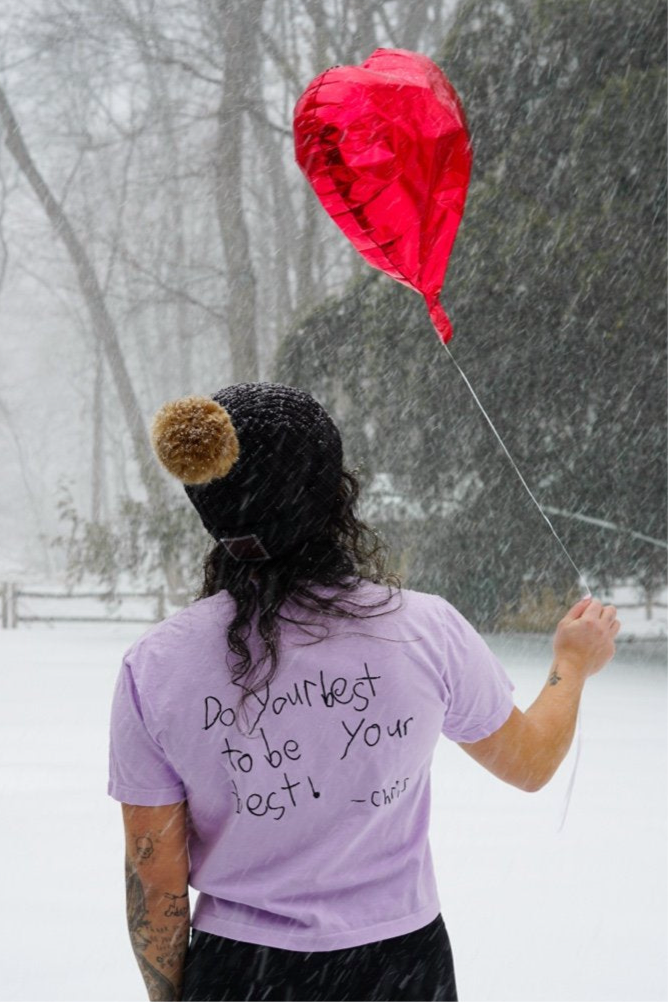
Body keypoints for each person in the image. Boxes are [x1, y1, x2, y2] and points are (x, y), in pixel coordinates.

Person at [107, 381, 620, 1002]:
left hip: (239, 975)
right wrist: (571, 662)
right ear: (335, 496)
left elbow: (155, 878)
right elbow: (531, 762)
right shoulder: (425, 631)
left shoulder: (156, 666)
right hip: (399, 971)